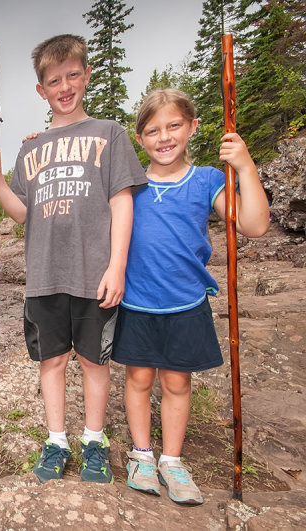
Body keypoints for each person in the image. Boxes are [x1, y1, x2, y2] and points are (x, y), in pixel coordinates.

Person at [0, 34, 147, 484]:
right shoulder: (31, 148)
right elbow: (22, 212)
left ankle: (94, 440)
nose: (65, 86)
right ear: (42, 90)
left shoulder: (108, 134)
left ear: (87, 75)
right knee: (51, 361)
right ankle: (56, 440)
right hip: (45, 275)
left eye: (73, 75)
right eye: (54, 80)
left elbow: (122, 201)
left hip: (95, 272)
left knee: (95, 361)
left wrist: (117, 265)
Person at [113, 88, 270, 504]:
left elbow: (254, 225)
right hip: (137, 302)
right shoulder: (130, 186)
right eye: (152, 131)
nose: (164, 137)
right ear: (140, 138)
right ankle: (142, 455)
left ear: (192, 127)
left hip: (186, 302)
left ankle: (173, 460)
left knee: (178, 382)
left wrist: (245, 165)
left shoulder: (207, 180)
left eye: (174, 126)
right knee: (139, 378)